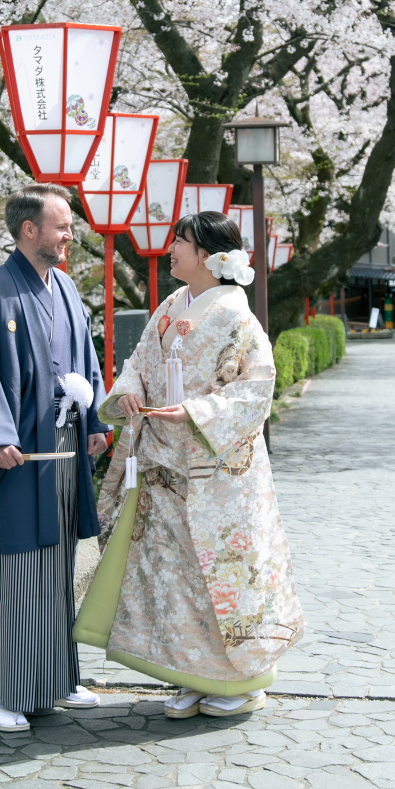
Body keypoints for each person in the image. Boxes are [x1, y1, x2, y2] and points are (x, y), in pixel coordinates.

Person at [74, 211, 304, 719]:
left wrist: (198, 412)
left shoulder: (238, 318)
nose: (171, 248)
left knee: (216, 576)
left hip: (215, 475)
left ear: (206, 255)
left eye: (180, 241)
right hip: (161, 463)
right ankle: (189, 674)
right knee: (173, 575)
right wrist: (130, 393)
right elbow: (138, 363)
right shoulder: (171, 305)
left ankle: (239, 681)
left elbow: (254, 391)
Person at [0, 183, 110, 733]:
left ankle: (57, 680)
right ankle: (5, 691)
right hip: (15, 459)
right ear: (30, 230)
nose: (71, 235)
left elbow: (87, 362)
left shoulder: (65, 287)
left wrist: (94, 422)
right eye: (62, 226)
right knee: (14, 571)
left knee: (57, 569)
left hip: (61, 453)